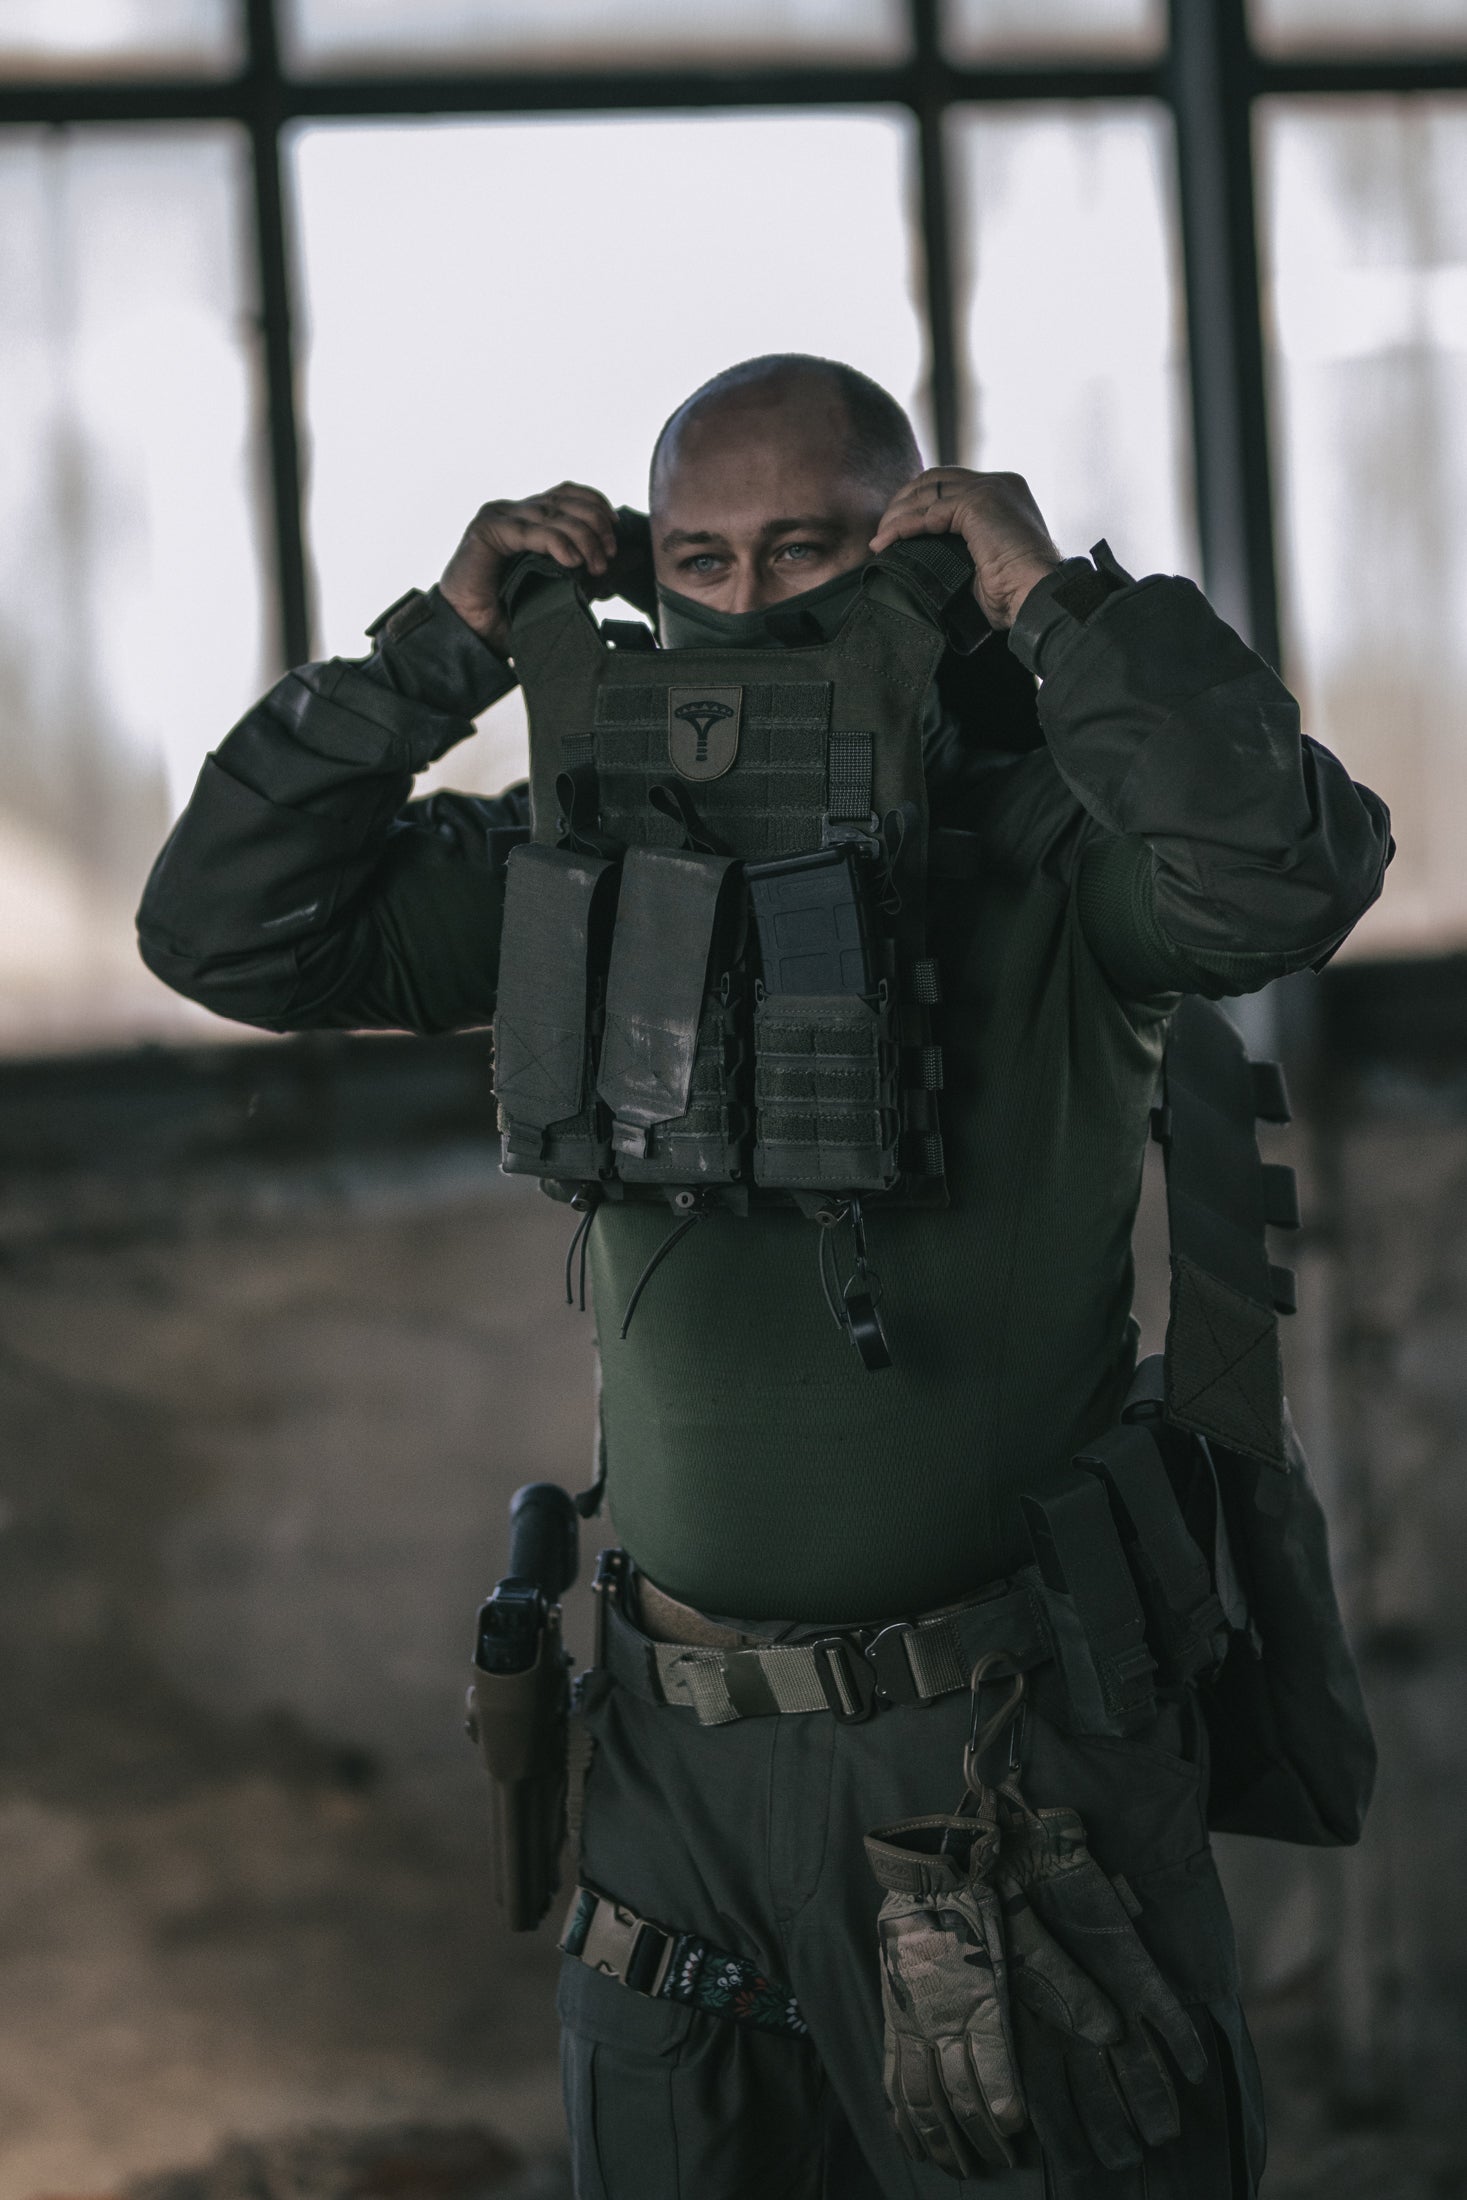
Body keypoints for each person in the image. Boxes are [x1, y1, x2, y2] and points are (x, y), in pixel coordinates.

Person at [137, 354, 1391, 2198]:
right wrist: (439, 648)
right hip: (671, 1775)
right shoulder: (583, 867)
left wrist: (1059, 604)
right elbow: (222, 929)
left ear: (915, 558)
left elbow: (1287, 874)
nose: (749, 603)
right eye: (701, 563)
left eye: (805, 552)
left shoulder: (1049, 852)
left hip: (996, 1765)